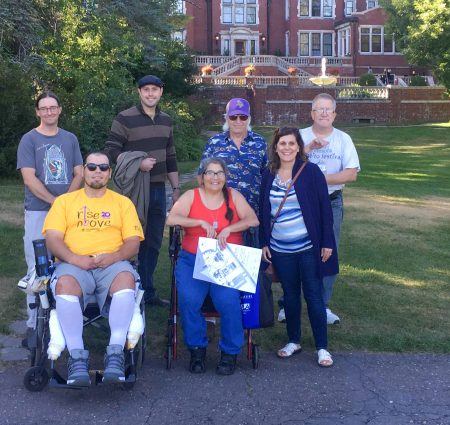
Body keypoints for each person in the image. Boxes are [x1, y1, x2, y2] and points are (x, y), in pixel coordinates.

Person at [42, 152, 144, 386]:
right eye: (92, 166)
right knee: (66, 283)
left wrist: (115, 256)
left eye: (103, 167)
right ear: (84, 171)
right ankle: (77, 358)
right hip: (73, 263)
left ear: (109, 172)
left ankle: (115, 353)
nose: (97, 171)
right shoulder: (65, 202)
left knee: (126, 278)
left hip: (112, 264)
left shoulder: (122, 203)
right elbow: (54, 239)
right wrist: (73, 258)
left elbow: (133, 242)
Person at [166, 157, 259, 375]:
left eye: (219, 173)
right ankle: (197, 348)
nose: (215, 177)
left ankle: (230, 352)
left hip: (226, 260)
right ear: (201, 177)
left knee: (227, 301)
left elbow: (253, 220)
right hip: (193, 258)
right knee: (189, 300)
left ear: (225, 177)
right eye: (210, 172)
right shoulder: (191, 196)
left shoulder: (234, 196)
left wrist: (231, 228)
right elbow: (172, 219)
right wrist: (198, 222)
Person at [259, 127, 338, 367]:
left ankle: (322, 347)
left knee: (313, 296)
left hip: (307, 247)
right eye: (282, 144)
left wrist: (327, 242)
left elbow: (325, 208)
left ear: (298, 147)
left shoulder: (310, 172)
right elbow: (263, 211)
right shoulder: (268, 174)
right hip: (281, 249)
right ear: (275, 147)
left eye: (291, 144)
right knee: (290, 296)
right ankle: (294, 340)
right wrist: (263, 242)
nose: (287, 148)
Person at [104, 75, 180, 306]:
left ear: (161, 92)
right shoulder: (124, 118)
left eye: (154, 90)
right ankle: (121, 290)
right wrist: (137, 163)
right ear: (139, 92)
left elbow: (171, 156)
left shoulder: (166, 120)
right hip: (132, 190)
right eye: (145, 90)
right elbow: (111, 151)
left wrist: (176, 188)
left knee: (154, 241)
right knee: (128, 239)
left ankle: (147, 291)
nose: (150, 94)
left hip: (158, 189)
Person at [16, 91, 83, 346]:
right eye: (43, 108)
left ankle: (66, 319)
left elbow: (78, 172)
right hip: (38, 211)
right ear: (37, 112)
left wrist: (65, 201)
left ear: (59, 110)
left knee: (68, 262)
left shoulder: (70, 139)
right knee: (37, 267)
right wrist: (54, 202)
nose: (48, 112)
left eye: (52, 107)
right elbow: (29, 178)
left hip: (68, 211)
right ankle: (34, 325)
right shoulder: (29, 139)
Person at [300, 93, 360, 325]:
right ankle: (288, 303)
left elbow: (351, 173)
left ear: (334, 114)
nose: (324, 113)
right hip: (300, 202)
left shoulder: (343, 139)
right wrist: (307, 149)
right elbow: (286, 163)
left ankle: (322, 305)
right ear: (312, 113)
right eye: (319, 109)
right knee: (294, 250)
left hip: (331, 201)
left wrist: (322, 179)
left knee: (328, 250)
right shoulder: (300, 136)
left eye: (328, 109)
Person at [201, 98, 268, 217]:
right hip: (220, 213)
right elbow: (202, 176)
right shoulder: (214, 143)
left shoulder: (260, 143)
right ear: (226, 118)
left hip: (252, 213)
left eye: (243, 117)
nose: (238, 121)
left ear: (249, 119)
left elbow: (267, 174)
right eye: (233, 117)